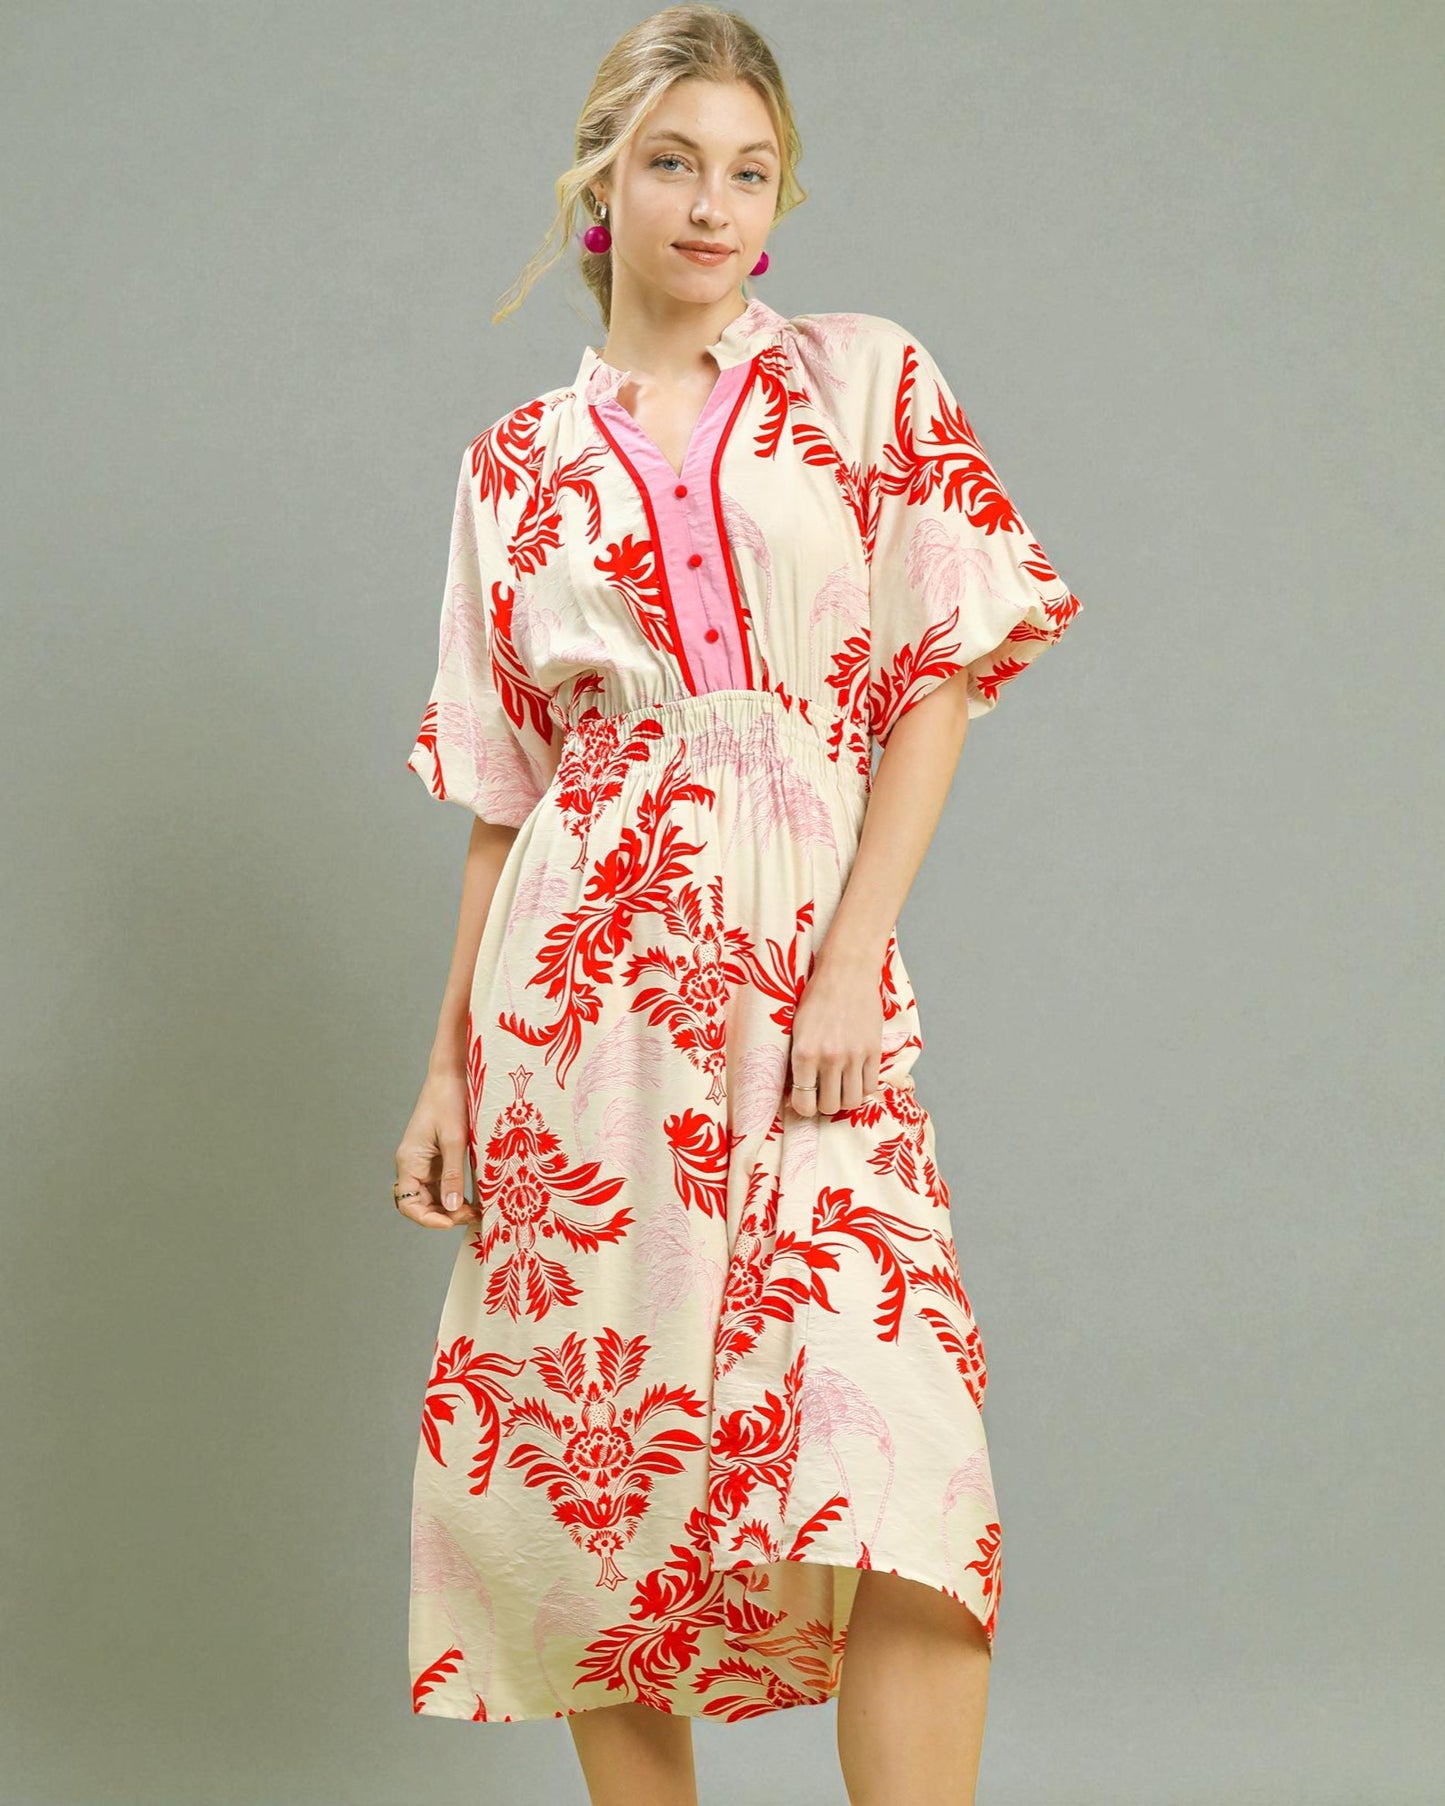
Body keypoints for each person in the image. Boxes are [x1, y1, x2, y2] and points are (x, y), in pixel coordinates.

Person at [393, 7, 1081, 1802]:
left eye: (748, 169)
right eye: (673, 161)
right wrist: (448, 1068)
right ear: (603, 187)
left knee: (905, 1467)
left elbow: (934, 666)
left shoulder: (860, 379)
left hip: (800, 984)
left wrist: (852, 949)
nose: (711, 203)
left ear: (779, 200)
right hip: (578, 1011)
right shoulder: (510, 470)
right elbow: (502, 792)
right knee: (600, 1485)